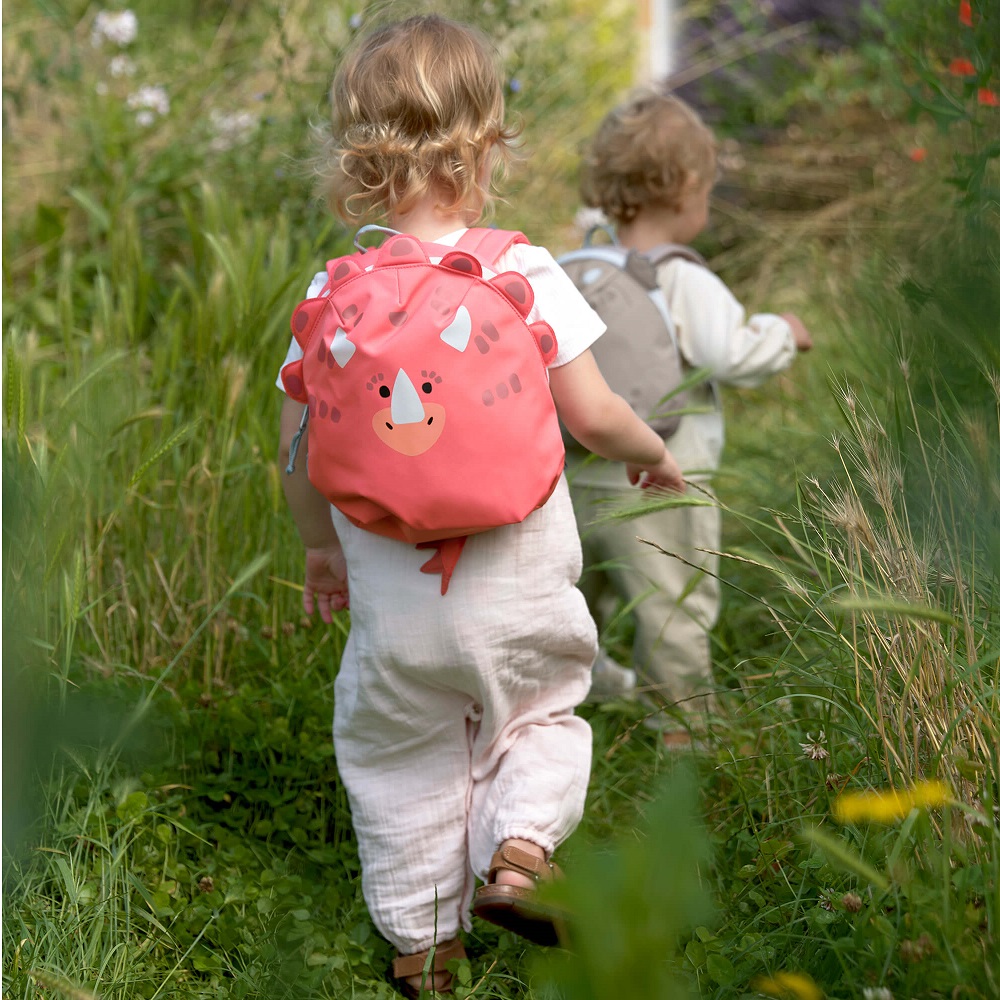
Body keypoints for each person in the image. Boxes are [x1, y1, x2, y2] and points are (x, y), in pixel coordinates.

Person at [276, 17, 685, 997]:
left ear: (358, 153)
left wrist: (320, 555)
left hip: (394, 612)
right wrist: (651, 450)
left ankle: (423, 948)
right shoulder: (520, 271)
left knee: (398, 755)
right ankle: (519, 856)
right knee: (541, 719)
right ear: (491, 142)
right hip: (518, 593)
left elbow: (298, 454)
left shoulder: (332, 291)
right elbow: (590, 412)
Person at [571, 88, 813, 742]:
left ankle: (564, 697)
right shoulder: (683, 279)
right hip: (663, 480)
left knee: (566, 607)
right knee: (671, 604)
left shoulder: (575, 268)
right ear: (683, 190)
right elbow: (728, 353)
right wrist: (783, 332)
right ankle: (681, 728)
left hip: (572, 479)